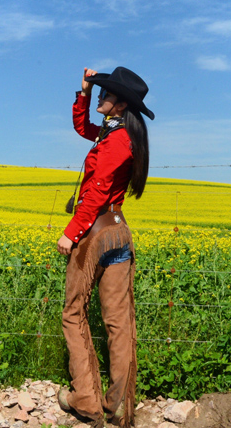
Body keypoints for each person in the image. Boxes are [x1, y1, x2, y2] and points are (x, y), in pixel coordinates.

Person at [57, 66, 153, 428]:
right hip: (120, 232)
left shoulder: (117, 142)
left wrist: (71, 232)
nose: (101, 97)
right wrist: (82, 92)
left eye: (105, 93)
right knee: (118, 322)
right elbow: (83, 129)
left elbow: (97, 190)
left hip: (97, 234)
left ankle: (85, 399)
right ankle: (119, 409)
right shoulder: (117, 134)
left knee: (73, 313)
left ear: (120, 104)